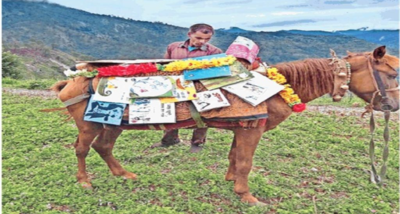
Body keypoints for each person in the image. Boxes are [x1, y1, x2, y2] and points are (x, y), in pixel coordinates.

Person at [151, 23, 223, 153]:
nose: (202, 42)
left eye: (207, 39)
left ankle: (197, 143)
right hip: (176, 85)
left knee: (202, 114)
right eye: (199, 38)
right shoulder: (173, 47)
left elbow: (218, 72)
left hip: (200, 87)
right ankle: (170, 139)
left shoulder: (214, 52)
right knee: (172, 111)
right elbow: (164, 66)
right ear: (189, 34)